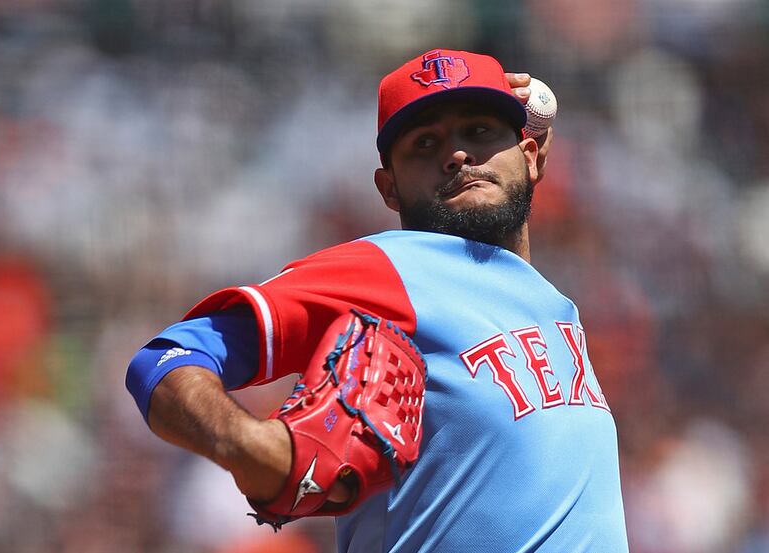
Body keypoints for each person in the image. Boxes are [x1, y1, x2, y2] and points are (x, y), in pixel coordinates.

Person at [126, 49, 629, 552]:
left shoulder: (556, 305)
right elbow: (163, 361)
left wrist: (530, 106)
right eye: (424, 144)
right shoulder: (391, 268)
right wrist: (247, 444)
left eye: (478, 131)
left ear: (531, 156)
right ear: (388, 188)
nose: (455, 154)